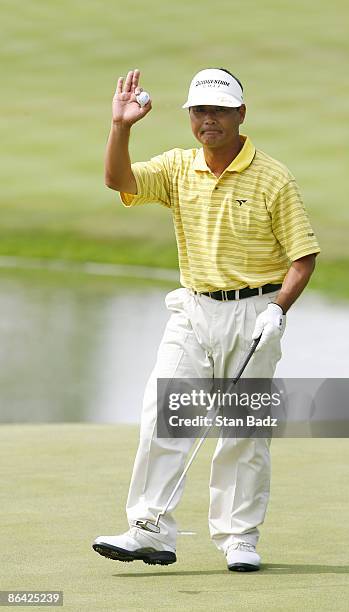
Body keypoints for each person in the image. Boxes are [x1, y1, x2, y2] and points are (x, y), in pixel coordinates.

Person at [93, 67, 320, 571]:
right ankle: (148, 529)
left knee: (242, 429)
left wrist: (277, 311)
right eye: (199, 111)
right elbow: (118, 180)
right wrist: (121, 126)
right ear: (190, 117)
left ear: (241, 114)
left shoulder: (273, 177)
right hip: (193, 311)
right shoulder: (178, 168)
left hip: (255, 315)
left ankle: (239, 537)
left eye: (219, 110)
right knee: (164, 416)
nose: (208, 120)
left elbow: (302, 257)